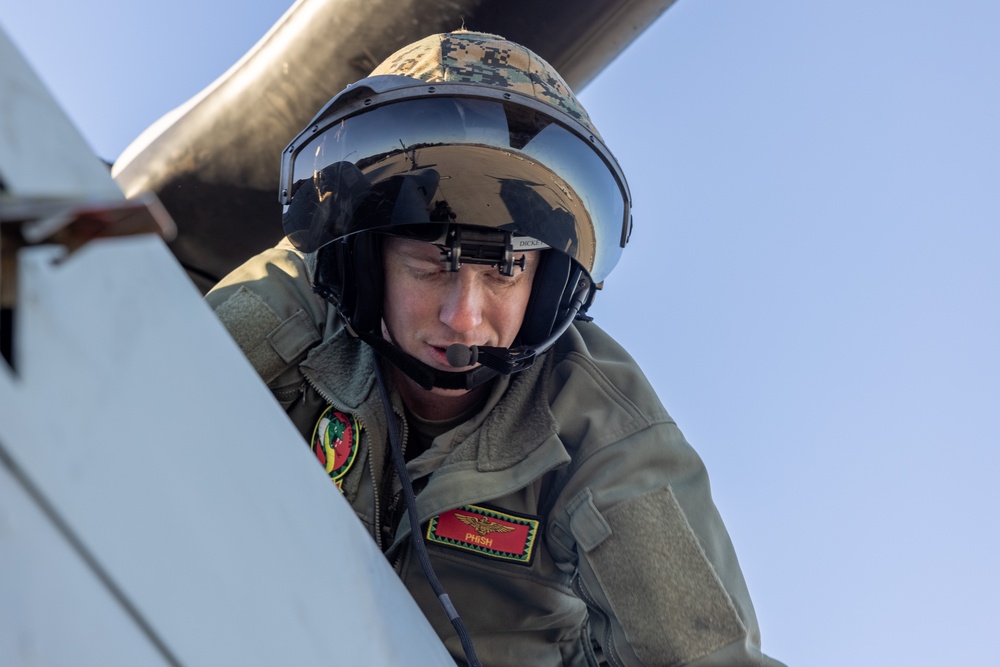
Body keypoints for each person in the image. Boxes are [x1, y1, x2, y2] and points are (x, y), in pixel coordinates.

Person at [207, 30, 784, 667]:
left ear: (547, 284)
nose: (464, 317)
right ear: (368, 262)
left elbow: (708, 656)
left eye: (504, 271)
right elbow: (127, 397)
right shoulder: (298, 299)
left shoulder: (601, 430)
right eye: (430, 265)